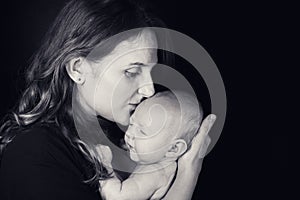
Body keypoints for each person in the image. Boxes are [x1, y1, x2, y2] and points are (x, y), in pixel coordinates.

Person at [0, 0, 216, 199]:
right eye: (132, 72)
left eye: (152, 72)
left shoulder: (130, 140)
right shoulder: (37, 154)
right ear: (77, 69)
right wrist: (188, 175)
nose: (150, 90)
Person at [98, 91, 210, 200]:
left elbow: (116, 197)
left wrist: (105, 164)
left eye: (142, 132)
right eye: (131, 124)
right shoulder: (157, 162)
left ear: (173, 148)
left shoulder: (154, 173)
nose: (129, 134)